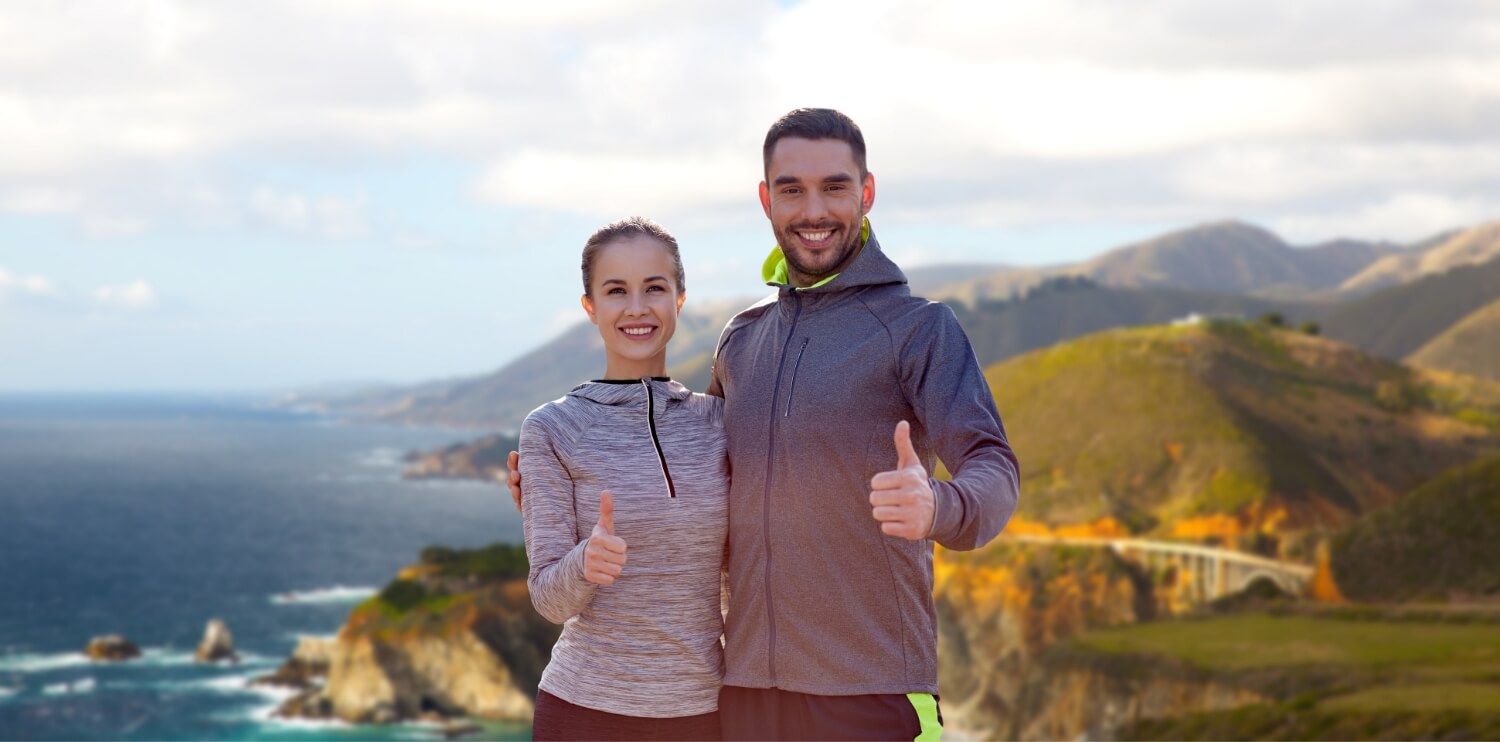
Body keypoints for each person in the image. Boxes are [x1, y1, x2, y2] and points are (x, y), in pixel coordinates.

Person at [512, 108, 1020, 741]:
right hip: (744, 693)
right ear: (766, 200)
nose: (814, 210)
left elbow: (994, 465)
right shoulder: (743, 339)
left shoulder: (919, 329)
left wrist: (940, 505)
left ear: (866, 193)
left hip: (871, 689)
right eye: (792, 189)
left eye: (835, 186)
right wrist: (557, 483)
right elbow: (705, 469)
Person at [519, 217, 728, 741]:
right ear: (590, 306)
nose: (637, 307)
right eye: (616, 291)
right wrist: (585, 563)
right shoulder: (551, 428)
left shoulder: (721, 422)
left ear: (679, 299)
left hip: (704, 711)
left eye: (654, 288)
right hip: (583, 712)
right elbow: (548, 599)